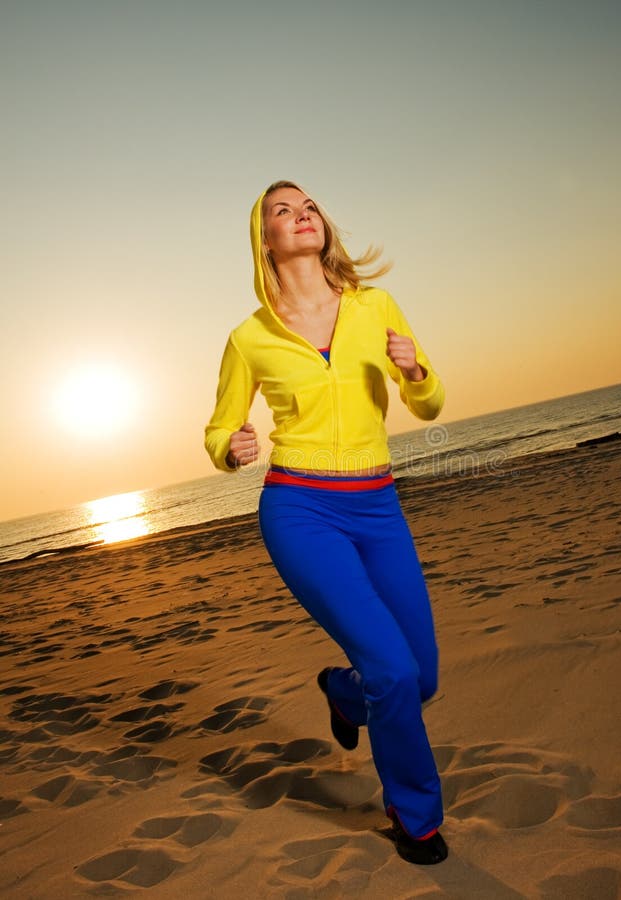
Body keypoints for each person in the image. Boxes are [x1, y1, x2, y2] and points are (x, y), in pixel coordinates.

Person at [204, 180, 447, 865]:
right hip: (301, 509)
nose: (300, 214)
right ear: (267, 241)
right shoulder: (248, 337)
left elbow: (426, 403)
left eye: (307, 204)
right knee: (394, 672)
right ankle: (416, 819)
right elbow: (221, 427)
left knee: (419, 678)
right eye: (282, 210)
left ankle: (343, 692)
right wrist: (231, 447)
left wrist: (417, 370)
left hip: (378, 505)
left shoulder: (374, 307)